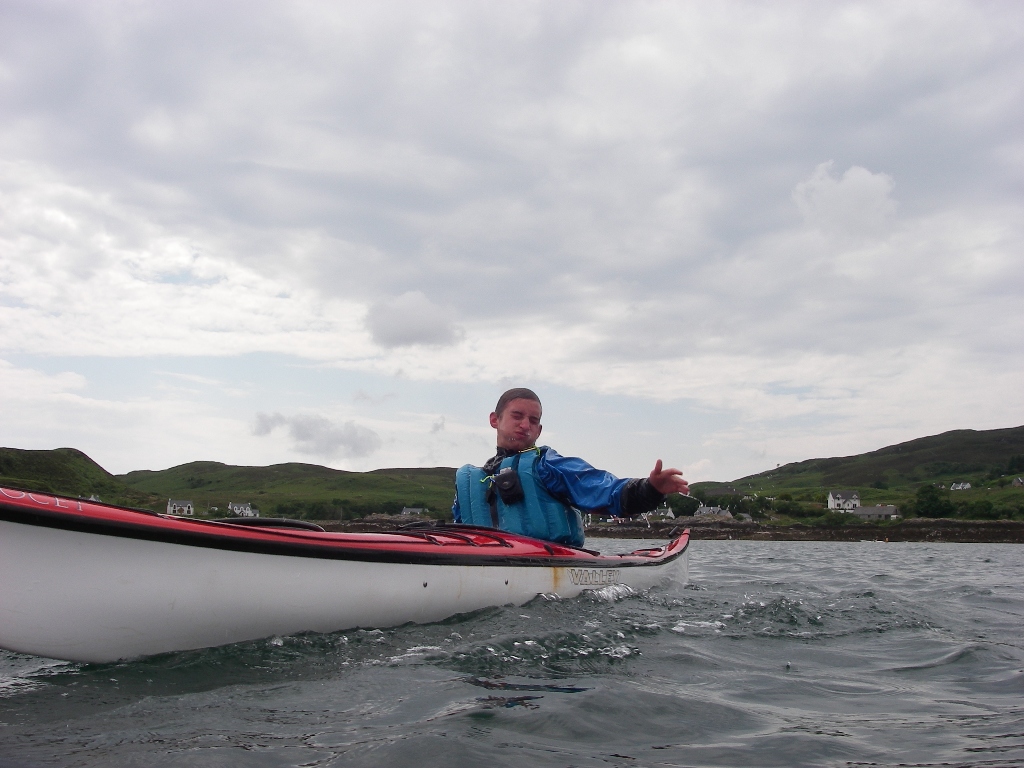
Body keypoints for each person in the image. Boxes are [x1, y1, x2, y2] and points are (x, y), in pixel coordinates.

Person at [452, 388, 689, 547]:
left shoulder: (547, 465)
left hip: (549, 562)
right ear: (495, 420)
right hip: (484, 560)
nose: (525, 425)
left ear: (539, 430)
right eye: (517, 416)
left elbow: (602, 489)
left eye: (533, 420)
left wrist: (650, 489)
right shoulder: (475, 479)